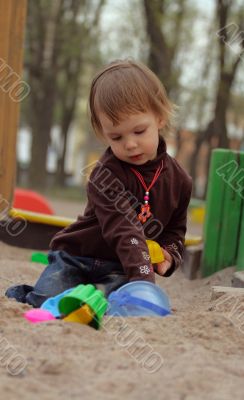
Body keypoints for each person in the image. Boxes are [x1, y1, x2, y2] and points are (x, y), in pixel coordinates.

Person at [6, 59, 192, 308]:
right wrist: (144, 283)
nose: (130, 144)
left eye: (139, 131)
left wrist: (169, 254)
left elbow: (175, 232)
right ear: (103, 132)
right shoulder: (106, 174)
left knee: (112, 303)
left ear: (159, 118)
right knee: (47, 301)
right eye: (116, 136)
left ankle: (95, 293)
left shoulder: (180, 180)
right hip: (76, 256)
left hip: (118, 267)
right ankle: (26, 294)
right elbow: (124, 229)